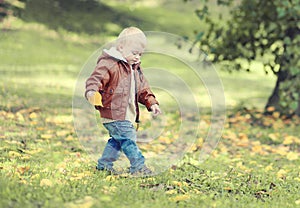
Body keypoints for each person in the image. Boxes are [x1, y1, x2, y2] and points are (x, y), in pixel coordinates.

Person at [85, 27, 161, 176]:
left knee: (117, 140)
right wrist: (91, 91)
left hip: (127, 115)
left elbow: (143, 89)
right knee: (128, 139)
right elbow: (96, 78)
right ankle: (138, 167)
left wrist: (152, 103)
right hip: (114, 113)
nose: (137, 57)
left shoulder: (135, 69)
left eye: (140, 54)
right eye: (134, 53)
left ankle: (104, 165)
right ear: (121, 47)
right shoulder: (110, 64)